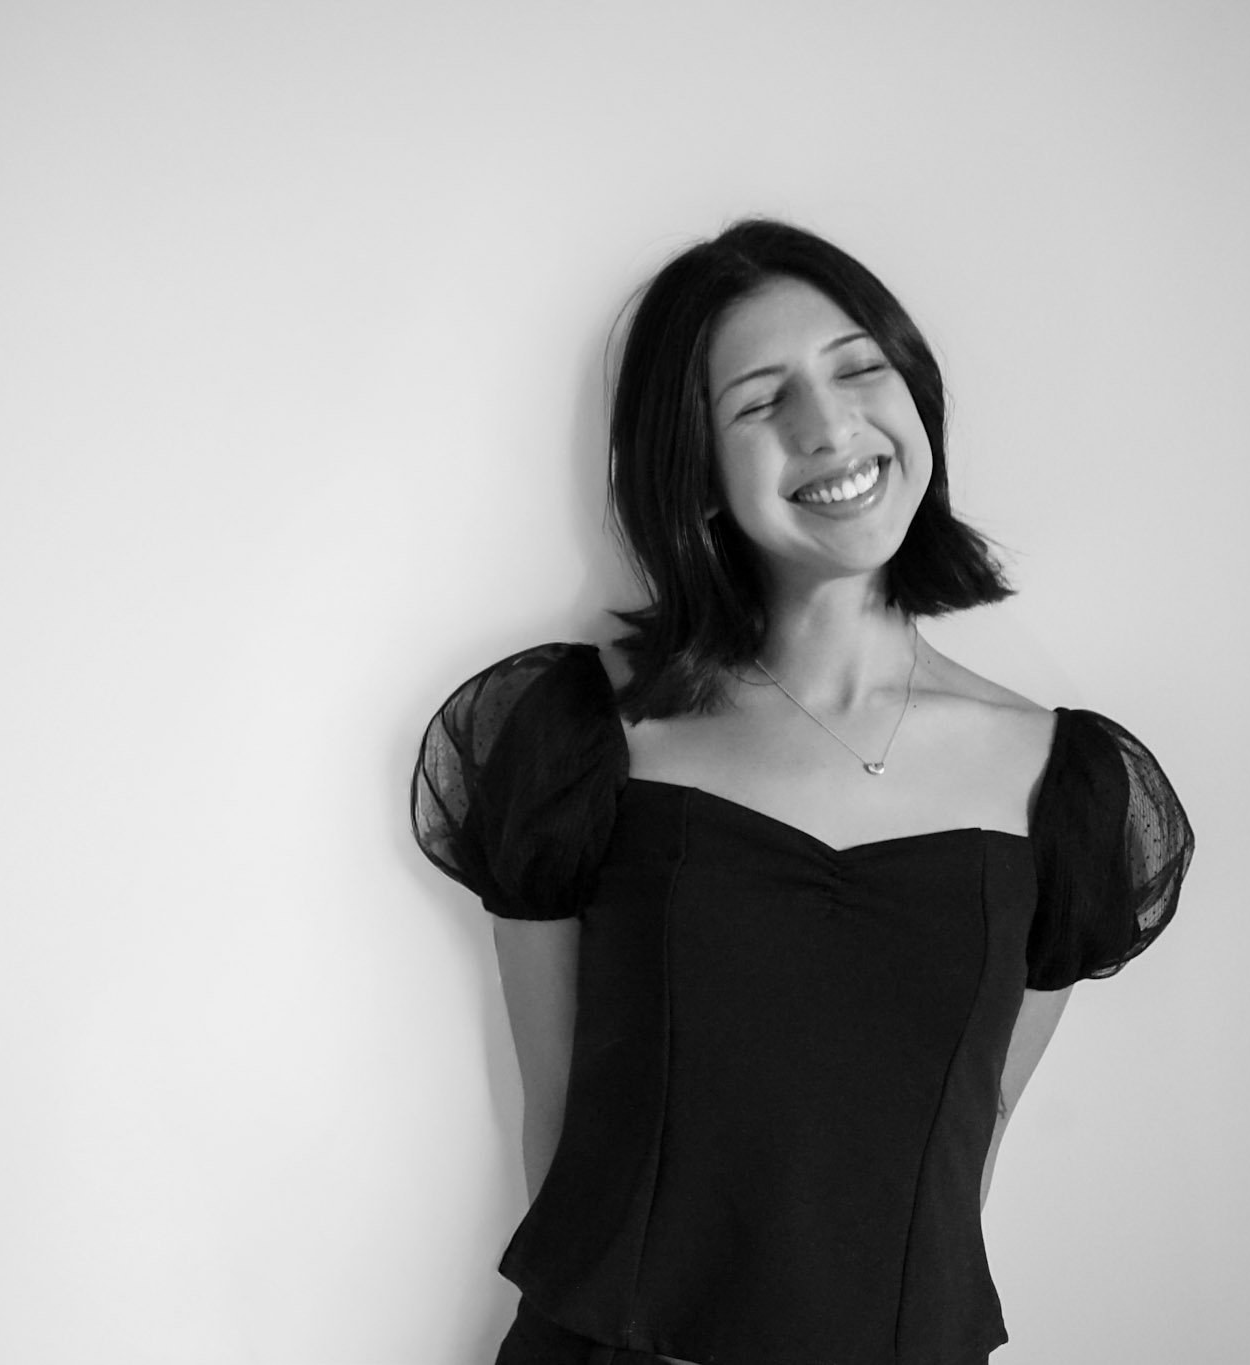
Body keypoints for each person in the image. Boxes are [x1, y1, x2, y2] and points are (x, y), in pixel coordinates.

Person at [413, 219, 1194, 1365]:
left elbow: (970, 1141)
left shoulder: (1065, 788)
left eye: (858, 368)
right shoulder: (577, 736)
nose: (827, 427)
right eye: (760, 400)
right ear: (698, 469)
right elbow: (561, 1117)